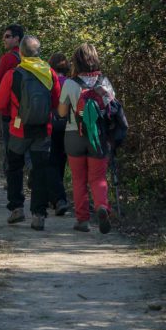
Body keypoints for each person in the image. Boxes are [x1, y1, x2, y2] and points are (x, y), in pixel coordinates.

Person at [0, 35, 61, 231]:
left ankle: (17, 208)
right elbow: (56, 102)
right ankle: (38, 215)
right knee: (40, 171)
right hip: (43, 129)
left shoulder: (13, 74)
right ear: (39, 52)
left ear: (21, 53)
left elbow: (0, 104)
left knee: (14, 168)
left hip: (18, 129)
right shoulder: (50, 73)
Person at [57, 43, 115, 234]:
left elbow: (62, 112)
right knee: (98, 177)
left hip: (74, 135)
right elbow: (111, 109)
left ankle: (82, 220)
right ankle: (102, 206)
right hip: (98, 135)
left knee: (78, 179)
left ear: (76, 61)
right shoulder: (104, 82)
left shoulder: (70, 83)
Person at [0, 23, 24, 181]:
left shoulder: (8, 58)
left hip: (9, 112)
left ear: (17, 39)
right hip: (27, 112)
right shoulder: (29, 59)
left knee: (10, 146)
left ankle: (10, 179)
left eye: (8, 36)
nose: (4, 39)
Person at [47, 53, 70, 215]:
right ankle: (55, 198)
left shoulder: (49, 82)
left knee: (52, 162)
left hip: (52, 124)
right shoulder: (71, 83)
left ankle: (59, 199)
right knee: (61, 160)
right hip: (70, 126)